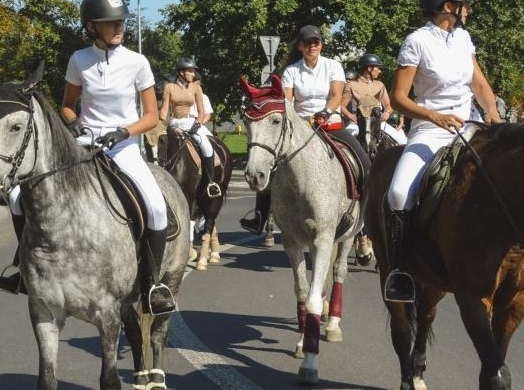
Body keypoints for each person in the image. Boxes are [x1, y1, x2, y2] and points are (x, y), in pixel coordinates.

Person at [383, 0, 501, 302]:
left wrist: (494, 116)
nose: (469, 11)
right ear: (447, 6)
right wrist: (434, 115)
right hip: (431, 129)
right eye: (465, 6)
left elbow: (479, 84)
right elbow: (398, 98)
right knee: (398, 192)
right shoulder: (416, 42)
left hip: (470, 124)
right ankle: (399, 269)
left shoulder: (464, 40)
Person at [60, 0, 174, 314]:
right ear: (92, 26)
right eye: (112, 23)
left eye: (121, 21)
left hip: (123, 146)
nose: (119, 27)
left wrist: (124, 132)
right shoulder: (79, 60)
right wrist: (75, 124)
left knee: (156, 207)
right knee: (20, 197)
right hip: (86, 145)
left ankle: (152, 285)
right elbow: (68, 106)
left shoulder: (137, 62)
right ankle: (25, 268)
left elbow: (151, 116)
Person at [240, 24, 354, 235]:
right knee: (272, 165)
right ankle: (260, 215)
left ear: (321, 44)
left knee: (361, 158)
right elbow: (287, 101)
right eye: (307, 43)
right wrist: (296, 120)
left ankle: (362, 210)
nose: (312, 46)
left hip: (330, 123)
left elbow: (336, 96)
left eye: (316, 42)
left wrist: (326, 112)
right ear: (300, 47)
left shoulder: (333, 66)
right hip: (301, 127)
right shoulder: (292, 70)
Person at [159, 57, 222, 208]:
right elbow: (165, 110)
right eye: (190, 71)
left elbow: (201, 111)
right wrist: (160, 121)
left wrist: (197, 124)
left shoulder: (196, 88)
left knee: (206, 146)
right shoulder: (169, 87)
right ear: (181, 72)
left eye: (193, 71)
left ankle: (211, 182)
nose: (193, 74)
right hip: (174, 122)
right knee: (160, 145)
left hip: (190, 122)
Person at [343, 52, 405, 148]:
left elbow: (388, 105)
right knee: (344, 145)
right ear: (369, 68)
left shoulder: (380, 85)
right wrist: (351, 116)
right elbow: (341, 106)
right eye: (378, 68)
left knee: (403, 142)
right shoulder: (351, 85)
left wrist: (387, 113)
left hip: (378, 123)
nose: (380, 71)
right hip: (357, 124)